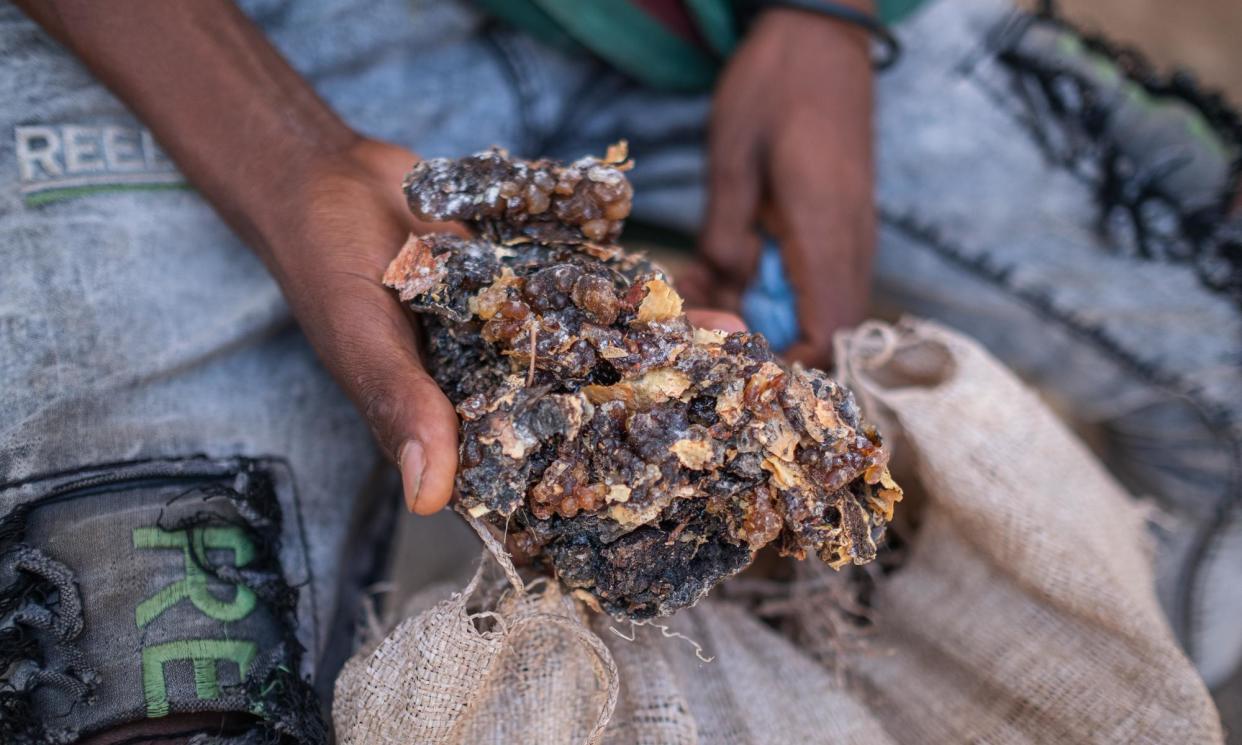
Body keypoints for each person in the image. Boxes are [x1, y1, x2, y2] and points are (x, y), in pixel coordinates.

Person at [2, 0, 1239, 742]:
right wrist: (282, 157)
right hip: (192, 52)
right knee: (152, 695)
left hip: (695, 23)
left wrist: (828, 20)